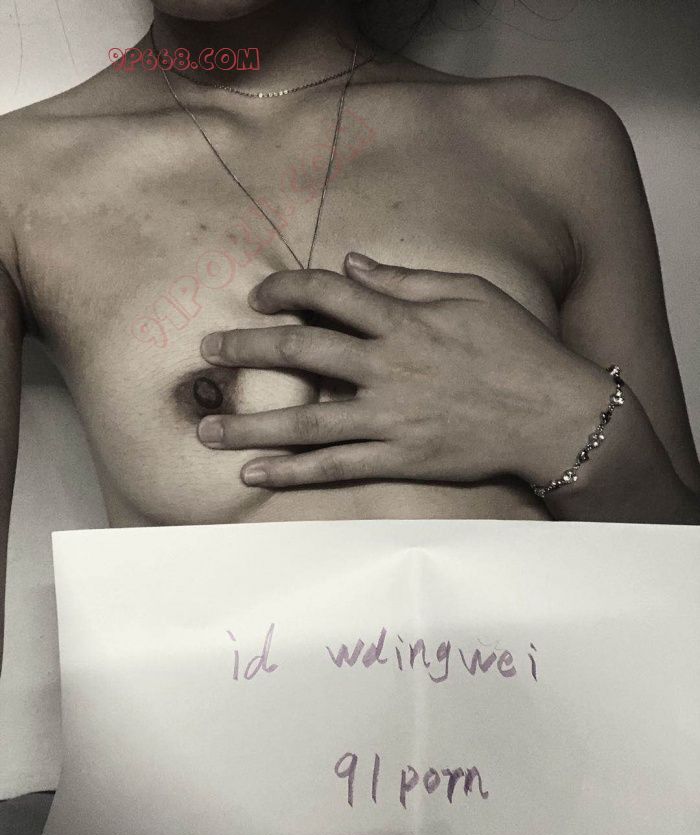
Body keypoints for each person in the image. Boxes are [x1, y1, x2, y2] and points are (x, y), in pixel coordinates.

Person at [2, 0, 700, 652]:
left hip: (544, 730)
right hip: (219, 739)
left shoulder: (555, 143)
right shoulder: (19, 177)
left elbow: (679, 625)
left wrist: (569, 427)